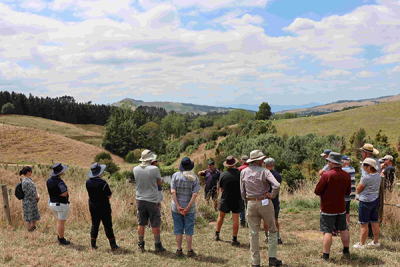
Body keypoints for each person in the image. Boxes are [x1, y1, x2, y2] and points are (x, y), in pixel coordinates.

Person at [240, 150, 282, 267]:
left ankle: (255, 263)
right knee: (272, 230)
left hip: (251, 203)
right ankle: (272, 258)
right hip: (264, 202)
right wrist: (272, 195)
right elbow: (277, 185)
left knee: (253, 234)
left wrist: (247, 200)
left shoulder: (243, 172)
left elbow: (242, 191)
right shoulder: (265, 171)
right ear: (259, 161)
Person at [314, 152, 351, 261]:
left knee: (327, 231)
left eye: (328, 161)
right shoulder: (346, 175)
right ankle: (346, 250)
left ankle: (326, 256)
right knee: (343, 229)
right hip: (341, 207)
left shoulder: (327, 175)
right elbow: (348, 192)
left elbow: (317, 191)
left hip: (328, 208)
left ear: (331, 162)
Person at [133, 149, 165, 253]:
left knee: (141, 222)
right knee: (155, 222)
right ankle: (157, 245)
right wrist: (161, 181)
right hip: (152, 199)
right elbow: (159, 183)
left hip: (140, 199)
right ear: (151, 159)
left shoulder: (135, 169)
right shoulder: (154, 169)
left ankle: (140, 245)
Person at [171, 157, 201, 257]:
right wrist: (187, 208)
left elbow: (173, 192)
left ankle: (179, 250)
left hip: (176, 208)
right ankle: (189, 250)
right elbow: (195, 194)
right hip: (190, 208)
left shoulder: (175, 176)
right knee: (189, 229)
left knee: (178, 228)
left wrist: (178, 206)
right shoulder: (194, 177)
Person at [86, 163, 119, 251]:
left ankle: (93, 245)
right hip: (104, 207)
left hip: (93, 206)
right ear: (100, 172)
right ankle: (113, 245)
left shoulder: (87, 182)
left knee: (94, 224)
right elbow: (109, 195)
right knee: (108, 225)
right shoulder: (103, 183)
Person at [214, 156, 244, 246]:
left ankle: (217, 234)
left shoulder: (222, 175)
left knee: (221, 216)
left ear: (227, 164)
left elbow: (221, 188)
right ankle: (234, 239)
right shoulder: (240, 174)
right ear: (235, 163)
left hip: (225, 199)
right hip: (237, 199)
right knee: (235, 220)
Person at [353, 158, 382, 249]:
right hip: (375, 201)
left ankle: (361, 244)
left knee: (364, 224)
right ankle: (376, 242)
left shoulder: (366, 177)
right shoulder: (378, 176)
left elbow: (358, 189)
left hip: (365, 202)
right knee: (374, 222)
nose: (363, 166)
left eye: (364, 165)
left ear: (369, 167)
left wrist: (357, 195)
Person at [46, 163, 70, 245]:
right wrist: (59, 195)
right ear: (61, 173)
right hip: (61, 204)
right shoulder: (60, 182)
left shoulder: (48, 180)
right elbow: (65, 193)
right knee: (61, 223)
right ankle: (61, 239)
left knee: (59, 222)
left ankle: (60, 236)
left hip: (52, 204)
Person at [263, 158, 283, 245]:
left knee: (265, 220)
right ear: (273, 164)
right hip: (275, 199)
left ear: (265, 165)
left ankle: (267, 236)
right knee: (275, 219)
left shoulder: (263, 175)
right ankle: (277, 237)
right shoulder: (278, 176)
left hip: (265, 199)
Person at [20, 166, 41, 232]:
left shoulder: (28, 179)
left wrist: (37, 195)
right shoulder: (25, 181)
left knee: (34, 215)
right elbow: (30, 192)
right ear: (27, 172)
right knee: (29, 216)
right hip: (28, 201)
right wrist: (37, 196)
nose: (31, 172)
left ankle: (33, 228)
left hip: (32, 201)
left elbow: (33, 190)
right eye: (30, 171)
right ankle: (30, 229)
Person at [342, 155, 356, 224]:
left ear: (343, 161)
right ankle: (348, 223)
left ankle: (343, 224)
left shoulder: (344, 170)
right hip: (351, 192)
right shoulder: (353, 169)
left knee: (343, 209)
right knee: (347, 210)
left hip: (345, 192)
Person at [238, 155, 249, 228]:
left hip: (241, 189)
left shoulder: (239, 169)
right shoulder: (251, 168)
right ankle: (249, 223)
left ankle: (242, 223)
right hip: (250, 190)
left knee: (242, 207)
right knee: (249, 207)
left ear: (241, 161)